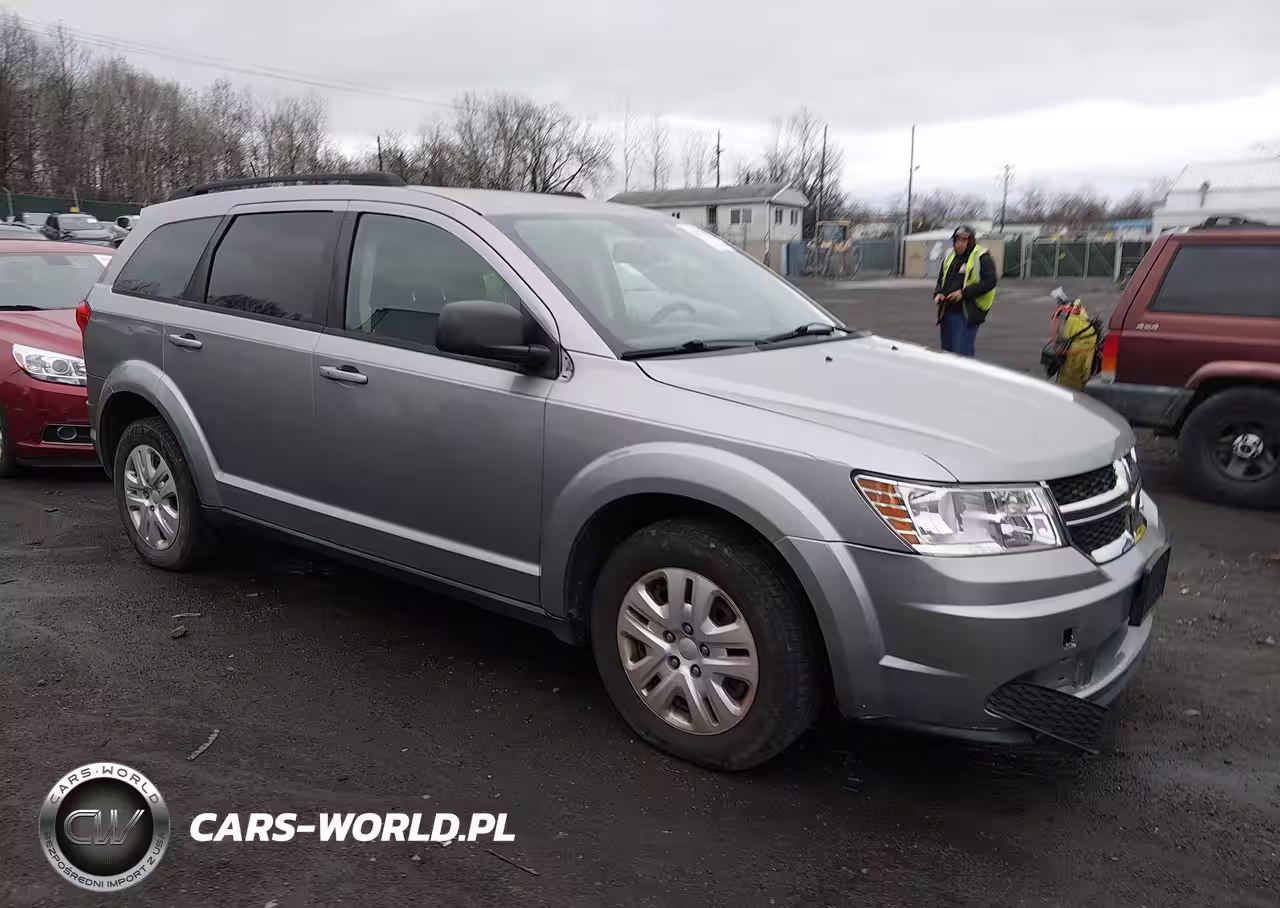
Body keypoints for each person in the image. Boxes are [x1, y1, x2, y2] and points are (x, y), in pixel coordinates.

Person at [934, 225, 997, 357]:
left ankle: (963, 377)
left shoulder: (982, 257)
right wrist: (938, 293)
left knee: (962, 355)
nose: (959, 244)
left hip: (967, 312)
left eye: (964, 240)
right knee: (946, 353)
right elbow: (941, 279)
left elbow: (990, 282)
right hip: (947, 311)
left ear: (971, 240)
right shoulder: (950, 257)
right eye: (957, 240)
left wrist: (963, 293)